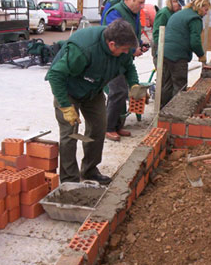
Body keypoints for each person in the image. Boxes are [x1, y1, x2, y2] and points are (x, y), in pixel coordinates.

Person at [45, 19, 140, 185]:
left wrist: (134, 85)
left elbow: (129, 66)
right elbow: (55, 75)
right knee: (70, 133)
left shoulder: (122, 48)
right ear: (112, 44)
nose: (127, 53)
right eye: (124, 50)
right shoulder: (83, 49)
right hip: (68, 91)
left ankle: (89, 171)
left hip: (93, 90)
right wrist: (66, 107)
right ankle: (70, 180)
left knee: (98, 127)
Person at [102, 0, 148, 141]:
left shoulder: (133, 14)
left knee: (122, 93)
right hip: (112, 58)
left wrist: (139, 45)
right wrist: (132, 49)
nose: (142, 6)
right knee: (118, 91)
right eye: (140, 2)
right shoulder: (116, 13)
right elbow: (115, 37)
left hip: (124, 57)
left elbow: (134, 34)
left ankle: (117, 126)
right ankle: (108, 128)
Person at [161, 0, 210, 107]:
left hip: (164, 53)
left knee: (167, 84)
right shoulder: (195, 18)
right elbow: (195, 41)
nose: (206, 13)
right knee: (180, 85)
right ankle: (176, 113)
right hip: (178, 56)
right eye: (206, 9)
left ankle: (162, 112)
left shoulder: (179, 14)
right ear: (200, 6)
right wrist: (201, 55)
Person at [151, 0, 185, 68]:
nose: (180, 8)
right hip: (160, 45)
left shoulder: (174, 13)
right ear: (172, 2)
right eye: (179, 5)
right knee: (162, 72)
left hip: (169, 46)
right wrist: (159, 50)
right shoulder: (164, 13)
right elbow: (157, 32)